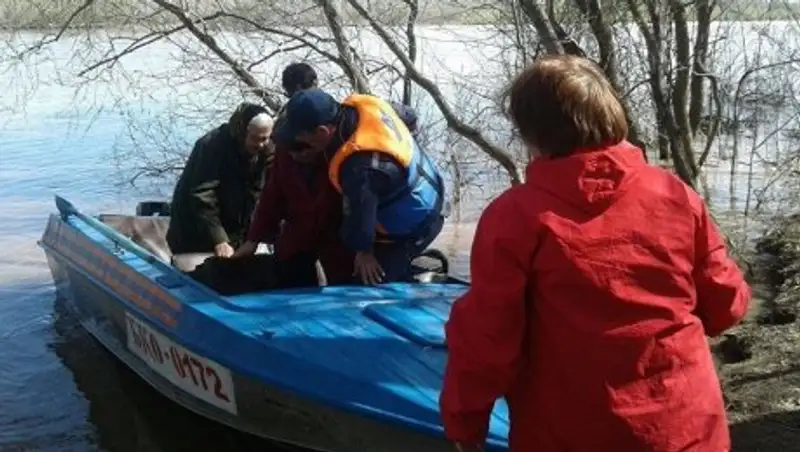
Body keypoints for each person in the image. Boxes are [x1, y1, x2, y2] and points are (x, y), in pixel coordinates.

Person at [439, 55, 751, 452]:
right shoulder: (674, 195)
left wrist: (465, 424)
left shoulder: (515, 217)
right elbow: (726, 305)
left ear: (533, 133)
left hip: (569, 432)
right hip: (684, 427)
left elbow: (487, 339)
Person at [270, 88, 446, 285]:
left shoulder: (359, 168)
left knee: (368, 284)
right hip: (424, 183)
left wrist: (364, 253)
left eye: (302, 137)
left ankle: (421, 282)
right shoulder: (365, 105)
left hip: (418, 220)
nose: (299, 142)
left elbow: (361, 217)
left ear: (322, 132)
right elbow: (410, 116)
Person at [166, 102, 273, 258]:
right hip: (194, 236)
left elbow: (263, 194)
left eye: (265, 139)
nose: (261, 145)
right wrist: (219, 239)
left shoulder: (266, 150)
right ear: (241, 132)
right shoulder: (211, 146)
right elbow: (202, 196)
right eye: (255, 139)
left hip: (236, 234)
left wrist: (253, 238)